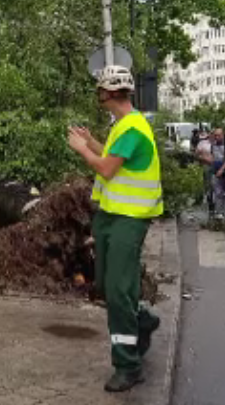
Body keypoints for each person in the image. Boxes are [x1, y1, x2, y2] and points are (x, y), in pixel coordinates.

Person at [67, 65, 163, 393]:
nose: (98, 95)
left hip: (129, 220)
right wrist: (92, 142)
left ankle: (128, 365)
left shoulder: (133, 128)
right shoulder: (123, 125)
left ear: (107, 93)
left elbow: (107, 169)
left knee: (119, 291)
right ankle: (142, 321)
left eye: (100, 90)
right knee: (109, 285)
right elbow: (113, 157)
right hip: (111, 216)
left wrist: (82, 149)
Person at [195, 131, 215, 214]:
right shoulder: (202, 143)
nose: (213, 136)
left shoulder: (218, 144)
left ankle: (215, 202)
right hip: (206, 166)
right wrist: (205, 158)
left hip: (217, 166)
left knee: (216, 184)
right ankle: (210, 202)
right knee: (208, 184)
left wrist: (206, 154)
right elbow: (197, 155)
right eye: (212, 134)